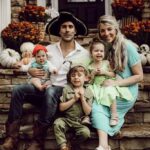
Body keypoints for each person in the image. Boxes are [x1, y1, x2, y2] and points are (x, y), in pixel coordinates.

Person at [1, 11, 90, 150]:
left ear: (75, 30)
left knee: (51, 91)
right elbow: (32, 64)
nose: (67, 30)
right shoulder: (48, 49)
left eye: (70, 27)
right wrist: (30, 70)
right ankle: (11, 138)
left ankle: (38, 140)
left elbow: (87, 77)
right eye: (64, 27)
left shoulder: (84, 53)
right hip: (46, 88)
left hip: (65, 94)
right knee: (18, 90)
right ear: (59, 31)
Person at [91, 15, 143, 150]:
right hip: (111, 88)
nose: (106, 33)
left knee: (98, 105)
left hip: (126, 89)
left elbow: (139, 76)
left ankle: (103, 144)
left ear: (116, 29)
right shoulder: (105, 48)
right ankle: (104, 145)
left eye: (109, 29)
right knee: (96, 101)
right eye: (103, 30)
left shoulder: (128, 47)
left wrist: (115, 84)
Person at [88, 38, 134, 128]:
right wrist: (93, 74)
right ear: (91, 53)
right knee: (89, 93)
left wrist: (104, 72)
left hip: (107, 84)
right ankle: (87, 116)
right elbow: (90, 81)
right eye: (96, 51)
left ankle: (114, 115)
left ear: (104, 53)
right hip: (96, 86)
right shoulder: (90, 66)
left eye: (101, 51)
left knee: (110, 92)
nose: (99, 53)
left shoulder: (106, 63)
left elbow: (113, 74)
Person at [54, 63, 93, 150]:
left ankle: (72, 143)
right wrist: (74, 99)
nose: (76, 77)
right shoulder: (67, 89)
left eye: (79, 75)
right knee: (57, 123)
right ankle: (63, 146)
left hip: (80, 121)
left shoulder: (88, 91)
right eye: (73, 75)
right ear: (69, 78)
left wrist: (82, 98)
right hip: (67, 119)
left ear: (86, 78)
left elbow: (88, 112)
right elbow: (61, 107)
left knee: (85, 133)